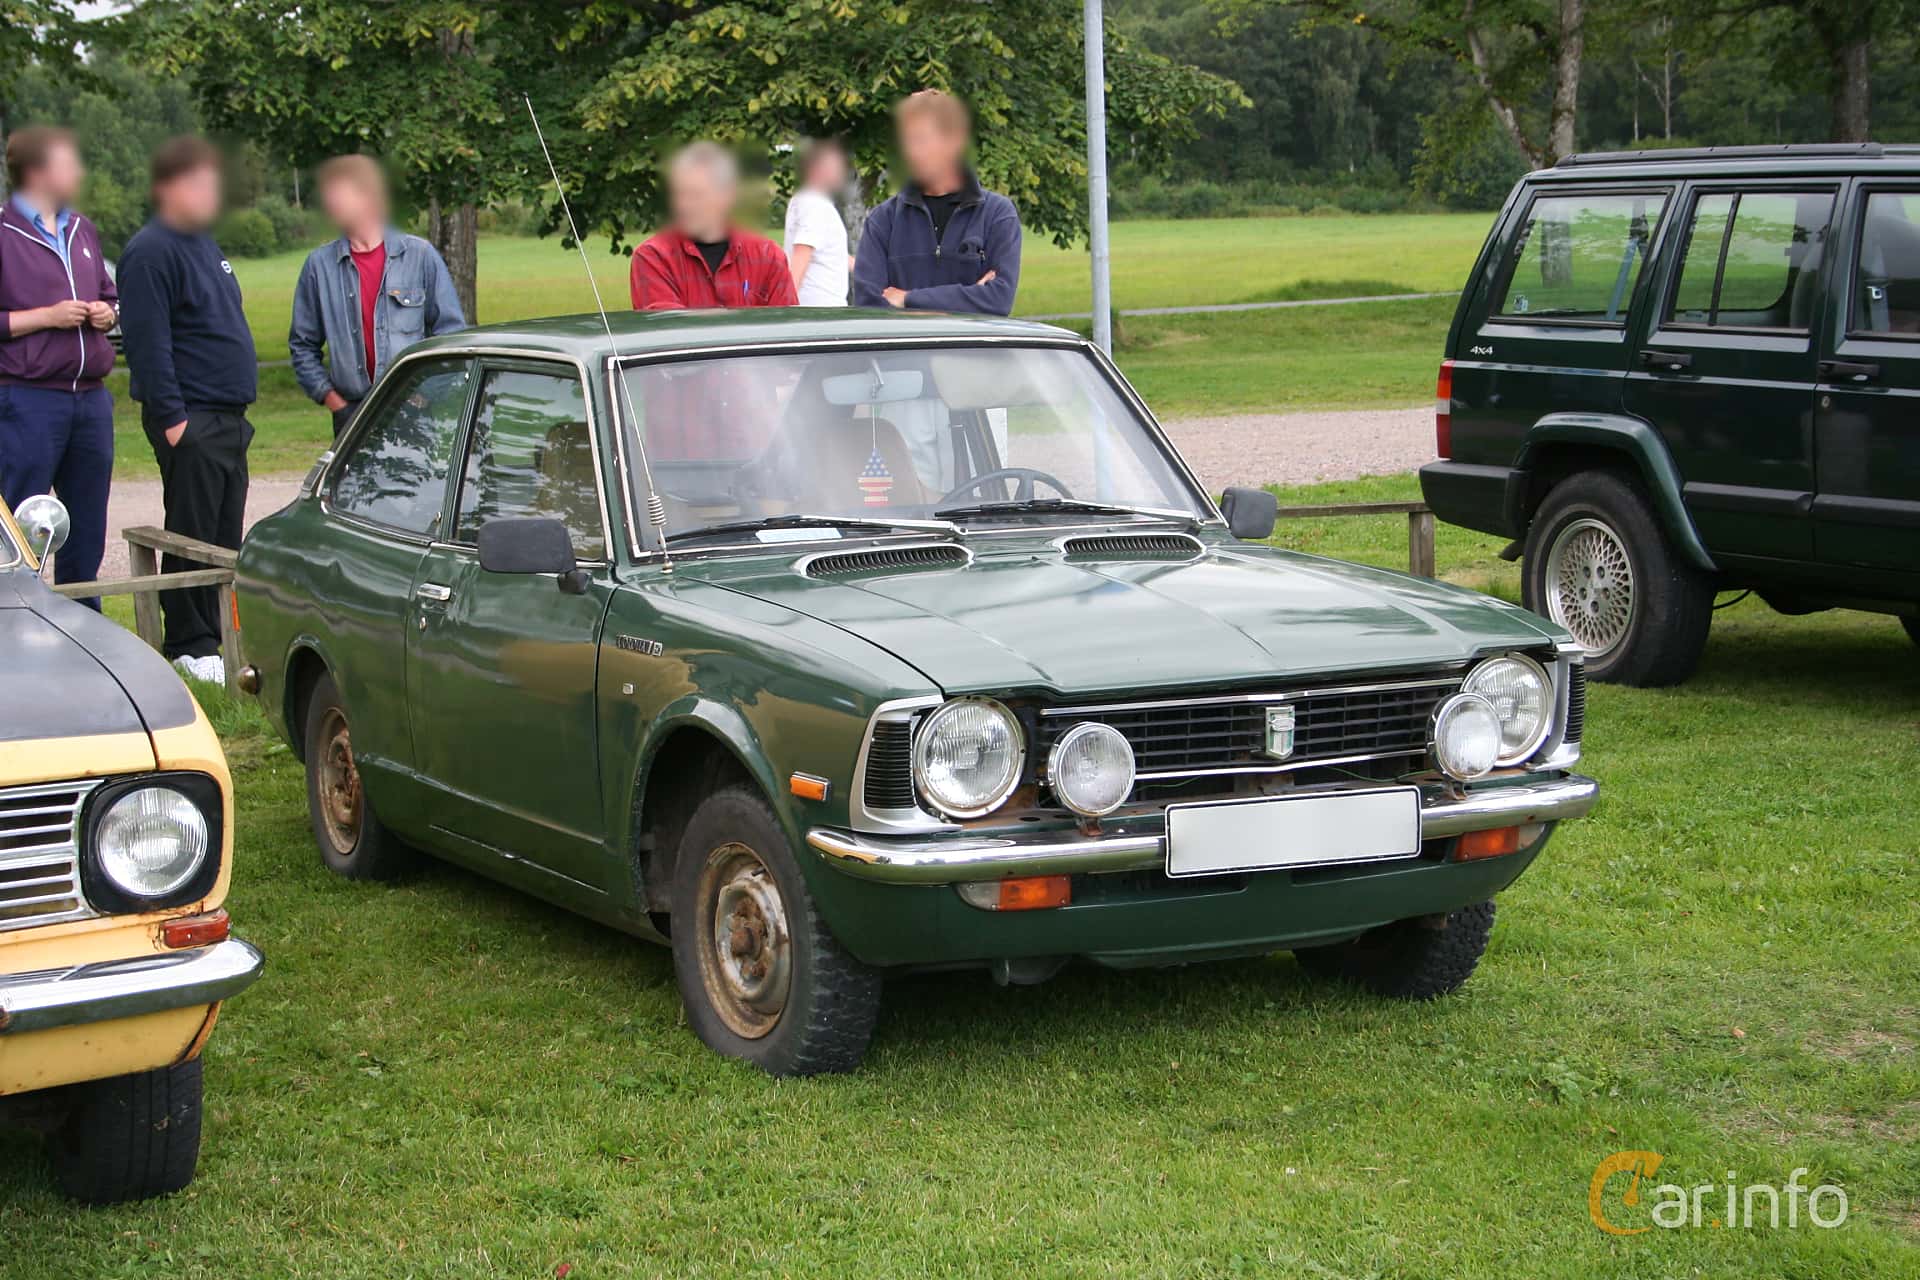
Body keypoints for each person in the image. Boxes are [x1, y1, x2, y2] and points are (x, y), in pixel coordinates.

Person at [117, 137, 257, 686]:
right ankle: (189, 643)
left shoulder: (203, 244)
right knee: (192, 531)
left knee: (224, 536)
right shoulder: (151, 250)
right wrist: (175, 421)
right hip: (191, 419)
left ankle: (221, 635)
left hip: (228, 416)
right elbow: (148, 344)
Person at [0, 125, 119, 608]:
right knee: (19, 529)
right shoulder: (4, 234)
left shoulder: (82, 229)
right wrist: (45, 318)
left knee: (85, 527)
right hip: (28, 400)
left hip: (91, 401)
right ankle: (11, 622)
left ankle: (82, 632)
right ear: (37, 172)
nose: (78, 173)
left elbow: (111, 298)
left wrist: (106, 313)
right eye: (68, 164)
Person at [290, 154, 466, 437]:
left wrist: (425, 396)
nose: (330, 204)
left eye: (339, 195)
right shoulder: (318, 266)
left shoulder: (420, 256)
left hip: (413, 414)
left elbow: (452, 336)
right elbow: (302, 346)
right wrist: (334, 402)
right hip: (350, 416)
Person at [852, 90, 1021, 315]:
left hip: (973, 351)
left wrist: (907, 298)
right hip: (905, 351)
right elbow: (869, 307)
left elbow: (998, 301)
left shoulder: (996, 214)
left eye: (920, 140)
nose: (910, 152)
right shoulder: (883, 220)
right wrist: (968, 299)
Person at [630, 142, 798, 311]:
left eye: (696, 195)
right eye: (680, 194)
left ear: (728, 196)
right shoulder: (653, 257)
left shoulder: (768, 256)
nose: (684, 205)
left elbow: (789, 328)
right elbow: (669, 331)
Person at [784, 139, 851, 306]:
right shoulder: (814, 202)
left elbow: (835, 255)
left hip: (824, 308)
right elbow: (802, 253)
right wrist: (786, 305)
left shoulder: (813, 201)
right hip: (819, 310)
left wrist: (874, 270)